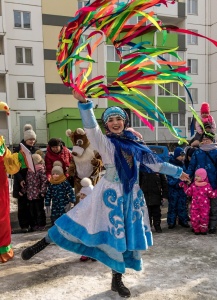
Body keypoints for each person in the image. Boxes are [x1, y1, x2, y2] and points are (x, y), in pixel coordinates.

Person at [21, 93, 189, 299]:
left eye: (119, 118)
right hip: (108, 196)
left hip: (131, 197)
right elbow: (91, 128)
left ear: (125, 122)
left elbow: (157, 164)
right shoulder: (105, 143)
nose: (115, 122)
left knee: (122, 237)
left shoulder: (137, 146)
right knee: (77, 219)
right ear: (107, 125)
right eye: (110, 119)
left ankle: (116, 279)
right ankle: (44, 242)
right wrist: (85, 104)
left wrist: (179, 172)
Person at [186, 132, 217, 234]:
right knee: (196, 207)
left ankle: (212, 226)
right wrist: (186, 177)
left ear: (212, 140)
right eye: (203, 139)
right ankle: (197, 225)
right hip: (198, 184)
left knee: (213, 206)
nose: (205, 141)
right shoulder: (197, 152)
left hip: (212, 183)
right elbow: (191, 166)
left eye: (207, 139)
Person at [180, 168, 217, 235]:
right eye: (195, 175)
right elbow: (189, 192)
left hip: (205, 207)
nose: (196, 177)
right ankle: (196, 229)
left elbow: (211, 194)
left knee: (204, 218)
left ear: (203, 177)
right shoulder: (193, 185)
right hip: (195, 206)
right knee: (194, 217)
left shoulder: (207, 186)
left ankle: (203, 229)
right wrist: (184, 186)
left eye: (198, 176)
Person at [12, 124, 38, 232]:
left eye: (33, 139)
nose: (32, 141)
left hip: (32, 180)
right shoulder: (18, 150)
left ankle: (33, 224)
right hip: (21, 180)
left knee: (32, 204)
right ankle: (24, 226)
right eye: (30, 139)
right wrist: (20, 179)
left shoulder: (35, 150)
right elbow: (14, 167)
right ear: (25, 139)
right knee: (22, 205)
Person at [20, 154, 48, 231]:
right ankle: (34, 224)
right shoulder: (29, 171)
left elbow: (44, 182)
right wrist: (23, 191)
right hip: (30, 195)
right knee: (32, 211)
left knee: (39, 210)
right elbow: (27, 182)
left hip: (38, 195)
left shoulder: (41, 170)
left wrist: (42, 192)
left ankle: (42, 224)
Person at [44, 161, 76, 226]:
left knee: (64, 216)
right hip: (55, 204)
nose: (55, 175)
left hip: (64, 203)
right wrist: (47, 203)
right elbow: (48, 194)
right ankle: (55, 226)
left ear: (61, 174)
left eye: (57, 174)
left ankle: (65, 226)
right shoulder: (51, 183)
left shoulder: (64, 182)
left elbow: (70, 191)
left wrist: (72, 199)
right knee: (54, 217)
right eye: (53, 174)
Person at [167, 147, 190, 229]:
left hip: (182, 190)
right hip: (173, 190)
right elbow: (169, 178)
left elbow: (186, 176)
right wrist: (177, 183)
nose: (182, 157)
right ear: (176, 155)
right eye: (181, 156)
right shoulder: (170, 165)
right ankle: (171, 222)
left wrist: (186, 181)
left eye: (183, 156)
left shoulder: (183, 165)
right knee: (172, 206)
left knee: (182, 205)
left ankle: (183, 220)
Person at [77, 177, 96, 262]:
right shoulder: (81, 203)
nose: (81, 196)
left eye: (84, 195)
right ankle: (85, 253)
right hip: (83, 225)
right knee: (84, 240)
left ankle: (93, 254)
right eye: (81, 194)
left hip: (92, 226)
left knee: (92, 240)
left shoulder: (94, 205)